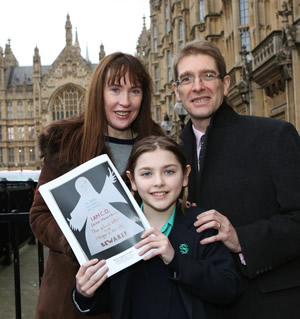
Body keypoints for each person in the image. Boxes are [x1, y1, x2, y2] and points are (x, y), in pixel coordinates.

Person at [30, 52, 164, 319]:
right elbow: (39, 216)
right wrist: (80, 244)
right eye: (115, 89)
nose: (124, 102)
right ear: (98, 93)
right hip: (77, 295)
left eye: (134, 91)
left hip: (142, 295)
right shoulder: (66, 142)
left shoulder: (158, 143)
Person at [172, 39, 300, 319]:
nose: (198, 87)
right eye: (187, 79)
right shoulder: (171, 158)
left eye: (208, 75)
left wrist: (242, 238)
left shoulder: (274, 136)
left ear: (226, 84)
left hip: (266, 306)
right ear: (177, 91)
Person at [72, 135, 242, 319]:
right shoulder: (114, 228)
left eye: (169, 172)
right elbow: (110, 299)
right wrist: (84, 293)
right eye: (146, 174)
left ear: (185, 176)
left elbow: (229, 289)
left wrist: (175, 260)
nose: (158, 182)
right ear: (133, 180)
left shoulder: (202, 225)